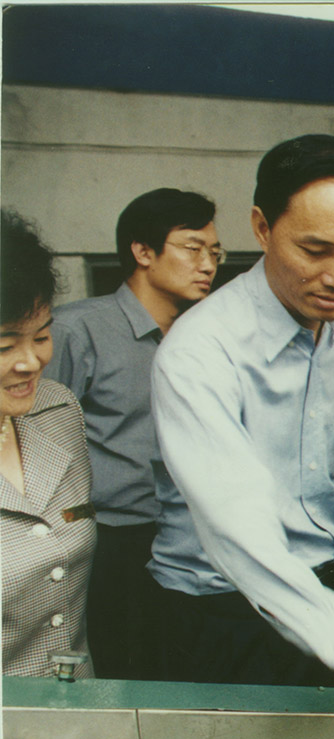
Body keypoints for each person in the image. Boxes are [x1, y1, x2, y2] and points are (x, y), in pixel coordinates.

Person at [149, 134, 334, 739]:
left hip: (324, 585)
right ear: (262, 228)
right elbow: (236, 527)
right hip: (222, 606)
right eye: (315, 250)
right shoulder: (199, 354)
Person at [49, 188, 221, 680]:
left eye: (215, 252)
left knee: (173, 678)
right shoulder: (77, 330)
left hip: (184, 539)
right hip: (108, 542)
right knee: (116, 680)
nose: (208, 265)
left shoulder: (202, 338)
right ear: (143, 252)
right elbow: (36, 440)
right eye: (192, 248)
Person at [1, 211, 96, 678]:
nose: (30, 361)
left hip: (75, 705)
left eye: (41, 336)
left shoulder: (57, 410)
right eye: (5, 346)